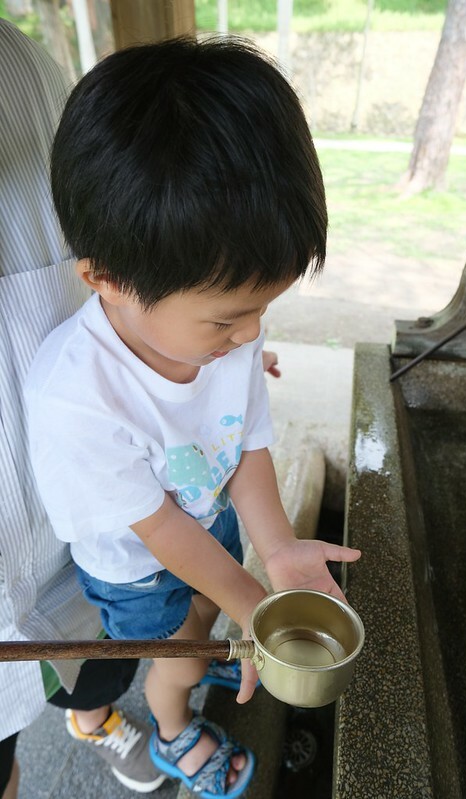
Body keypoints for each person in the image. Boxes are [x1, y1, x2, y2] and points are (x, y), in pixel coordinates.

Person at [25, 36, 361, 799]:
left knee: (212, 604)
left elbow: (241, 436)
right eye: (228, 320)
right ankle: (173, 727)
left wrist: (272, 546)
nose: (250, 336)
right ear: (106, 280)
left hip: (205, 509)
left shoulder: (218, 325)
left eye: (263, 310)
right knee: (184, 643)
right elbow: (157, 527)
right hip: (136, 562)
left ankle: (201, 642)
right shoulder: (78, 398)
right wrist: (252, 599)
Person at [0, 19, 166, 797]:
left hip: (75, 531)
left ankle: (92, 718)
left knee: (94, 647)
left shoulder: (26, 76)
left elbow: (128, 291)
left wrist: (187, 357)